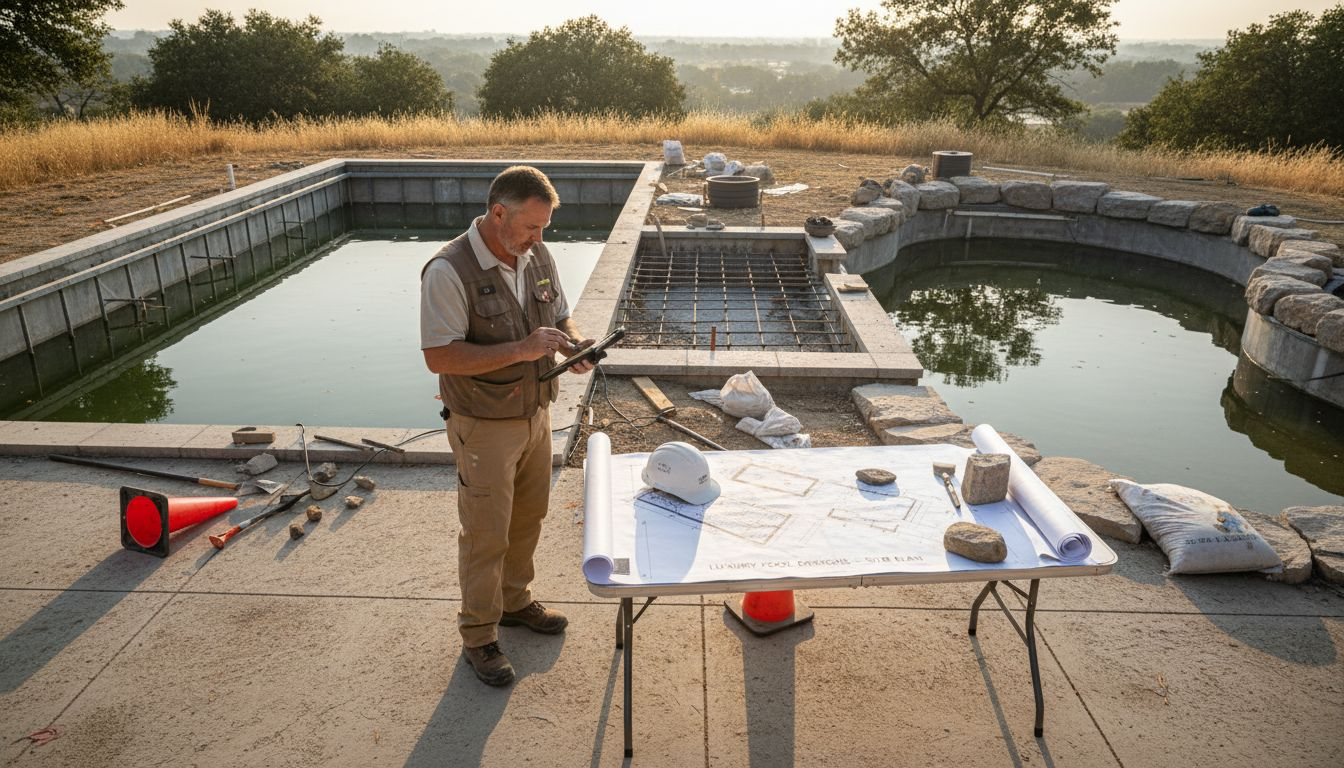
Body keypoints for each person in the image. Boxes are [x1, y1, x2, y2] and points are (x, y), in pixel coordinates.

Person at [419, 165, 594, 686]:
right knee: (485, 533)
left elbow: (560, 316)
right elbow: (439, 357)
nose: (539, 238)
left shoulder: (536, 254)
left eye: (544, 227)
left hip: (536, 412)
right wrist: (521, 349)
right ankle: (478, 635)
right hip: (484, 424)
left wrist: (574, 344)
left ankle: (515, 602)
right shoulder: (447, 270)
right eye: (531, 226)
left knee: (528, 517)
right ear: (498, 213)